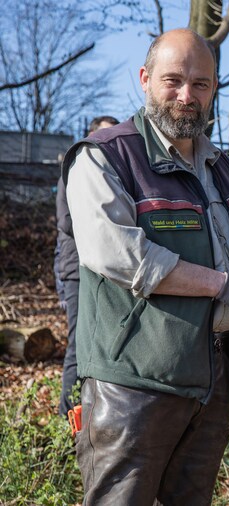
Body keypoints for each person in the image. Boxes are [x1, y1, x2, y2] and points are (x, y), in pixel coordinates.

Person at [63, 29, 229, 504]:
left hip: (212, 381)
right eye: (173, 81)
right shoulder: (106, 157)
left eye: (201, 84)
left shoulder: (223, 168)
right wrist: (225, 286)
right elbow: (121, 255)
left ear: (214, 89)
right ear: (145, 79)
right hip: (134, 386)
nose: (187, 95)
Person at [56, 115, 119, 417]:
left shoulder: (114, 174)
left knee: (101, 347)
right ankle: (66, 419)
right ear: (90, 136)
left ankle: (93, 417)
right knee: (77, 347)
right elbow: (67, 223)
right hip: (77, 272)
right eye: (103, 135)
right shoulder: (75, 170)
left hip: (107, 273)